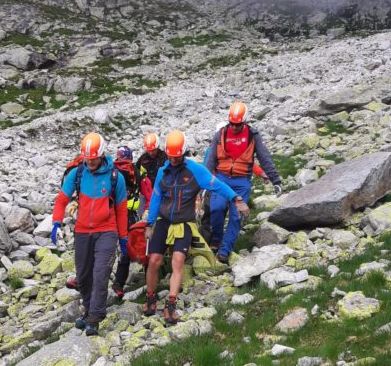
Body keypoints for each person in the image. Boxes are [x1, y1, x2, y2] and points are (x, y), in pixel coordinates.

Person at [143, 130, 250, 325]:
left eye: (177, 157)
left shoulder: (195, 170)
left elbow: (216, 185)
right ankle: (150, 298)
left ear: (183, 153)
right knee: (154, 261)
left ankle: (171, 303)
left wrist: (236, 199)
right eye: (170, 157)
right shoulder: (162, 172)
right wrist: (150, 224)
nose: (173, 160)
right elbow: (156, 198)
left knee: (178, 261)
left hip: (184, 223)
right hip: (164, 221)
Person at [51, 132, 128, 336]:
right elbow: (61, 200)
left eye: (93, 159)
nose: (90, 162)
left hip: (107, 230)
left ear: (101, 154)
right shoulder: (77, 174)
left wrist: (123, 237)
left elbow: (121, 209)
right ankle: (87, 311)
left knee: (101, 273)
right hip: (83, 231)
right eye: (87, 159)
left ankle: (95, 318)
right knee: (83, 276)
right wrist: (56, 222)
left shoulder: (115, 178)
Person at [205, 102, 282, 264]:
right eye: (232, 123)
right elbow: (211, 160)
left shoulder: (253, 136)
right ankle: (216, 241)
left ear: (245, 122)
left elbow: (264, 157)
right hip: (221, 179)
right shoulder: (221, 134)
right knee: (216, 208)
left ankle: (224, 251)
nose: (234, 127)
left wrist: (275, 179)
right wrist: (204, 182)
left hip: (241, 182)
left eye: (238, 124)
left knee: (236, 217)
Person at [112, 145, 152, 299]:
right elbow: (148, 193)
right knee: (128, 248)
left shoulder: (111, 171)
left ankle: (110, 284)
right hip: (129, 216)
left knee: (106, 249)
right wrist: (148, 211)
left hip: (110, 215)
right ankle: (121, 284)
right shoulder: (136, 172)